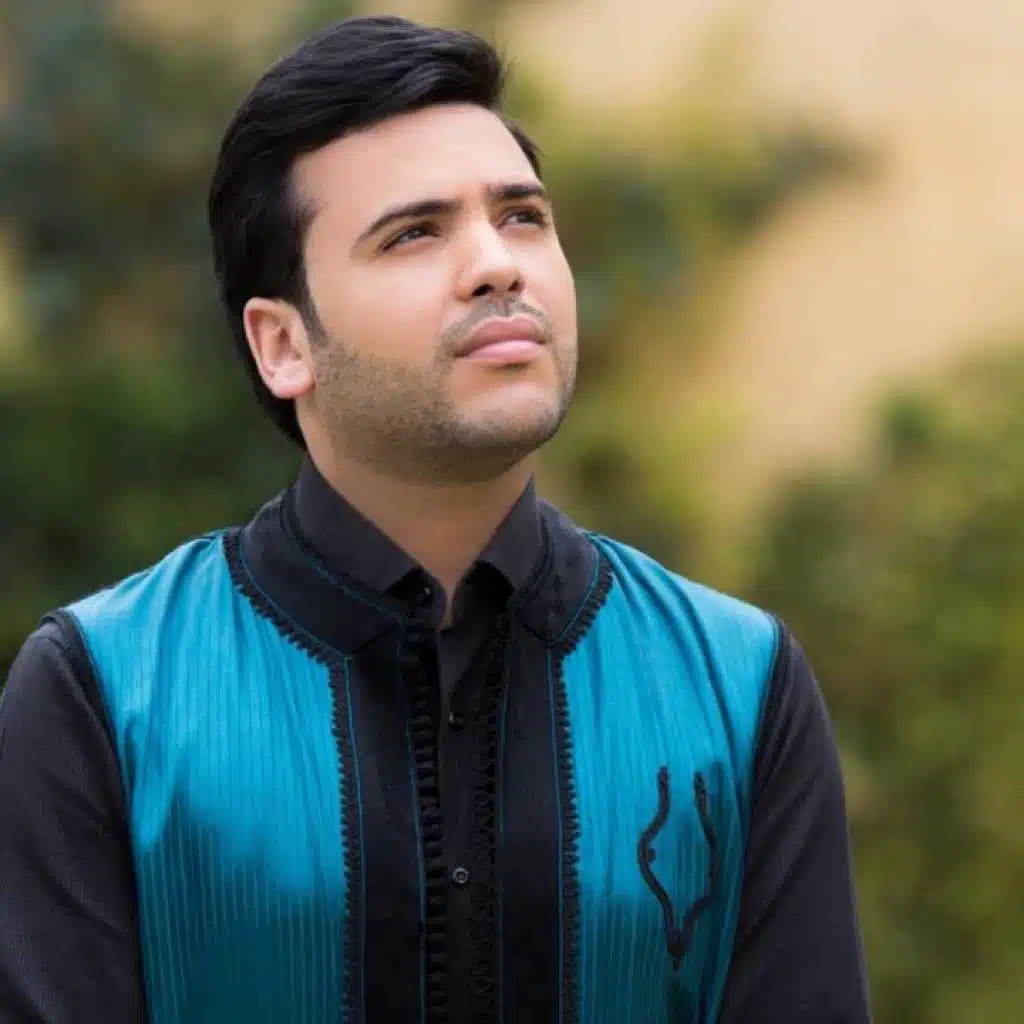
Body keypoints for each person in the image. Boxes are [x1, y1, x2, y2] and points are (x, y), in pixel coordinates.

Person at [0, 15, 871, 1023]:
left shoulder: (736, 686)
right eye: (414, 233)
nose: (497, 265)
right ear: (283, 344)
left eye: (522, 217)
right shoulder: (106, 693)